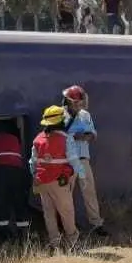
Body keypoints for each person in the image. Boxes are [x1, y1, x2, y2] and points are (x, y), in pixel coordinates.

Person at [29, 105, 78, 252]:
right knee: (66, 212)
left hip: (42, 181)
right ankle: (72, 243)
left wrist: (37, 176)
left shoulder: (38, 139)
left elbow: (32, 163)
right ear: (60, 121)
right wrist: (69, 175)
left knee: (49, 212)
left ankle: (55, 243)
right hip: (60, 181)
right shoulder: (66, 139)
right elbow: (74, 162)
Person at [62, 84, 107, 236]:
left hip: (82, 159)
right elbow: (59, 136)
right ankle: (68, 226)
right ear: (68, 101)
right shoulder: (60, 115)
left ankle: (96, 223)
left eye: (80, 102)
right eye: (75, 103)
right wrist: (72, 135)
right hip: (67, 160)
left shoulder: (85, 115)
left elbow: (93, 134)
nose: (78, 105)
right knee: (66, 194)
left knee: (89, 192)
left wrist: (85, 136)